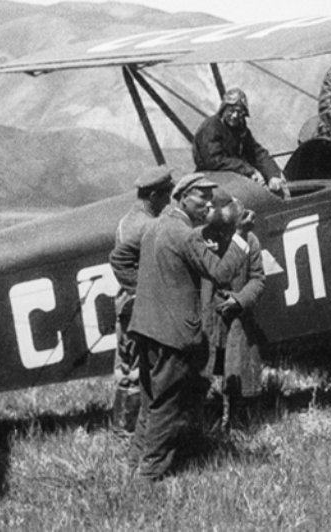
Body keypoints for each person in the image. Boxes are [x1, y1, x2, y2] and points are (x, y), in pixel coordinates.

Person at [127, 172, 249, 482]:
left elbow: (123, 256)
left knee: (150, 400)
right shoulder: (186, 235)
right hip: (172, 334)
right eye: (201, 197)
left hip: (145, 327)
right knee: (168, 405)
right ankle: (150, 474)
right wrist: (240, 236)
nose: (208, 204)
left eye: (211, 198)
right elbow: (220, 273)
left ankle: (134, 461)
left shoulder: (155, 226)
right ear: (182, 198)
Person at [107, 165, 175, 436]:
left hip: (124, 303)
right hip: (139, 305)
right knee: (140, 368)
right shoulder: (148, 226)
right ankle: (132, 430)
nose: (169, 201)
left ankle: (120, 426)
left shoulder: (126, 221)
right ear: (154, 196)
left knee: (125, 367)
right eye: (166, 195)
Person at [200, 190, 266, 428]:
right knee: (201, 371)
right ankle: (203, 422)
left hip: (237, 319)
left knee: (238, 371)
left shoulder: (250, 240)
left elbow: (257, 279)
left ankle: (239, 423)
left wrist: (240, 300)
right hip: (209, 318)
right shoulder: (202, 238)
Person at [192, 88, 288, 197]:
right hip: (212, 179)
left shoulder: (240, 128)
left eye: (239, 112)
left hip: (234, 177)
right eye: (231, 110)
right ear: (224, 109)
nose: (235, 115)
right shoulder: (211, 127)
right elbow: (214, 161)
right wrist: (248, 170)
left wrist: (272, 174)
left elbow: (256, 153)